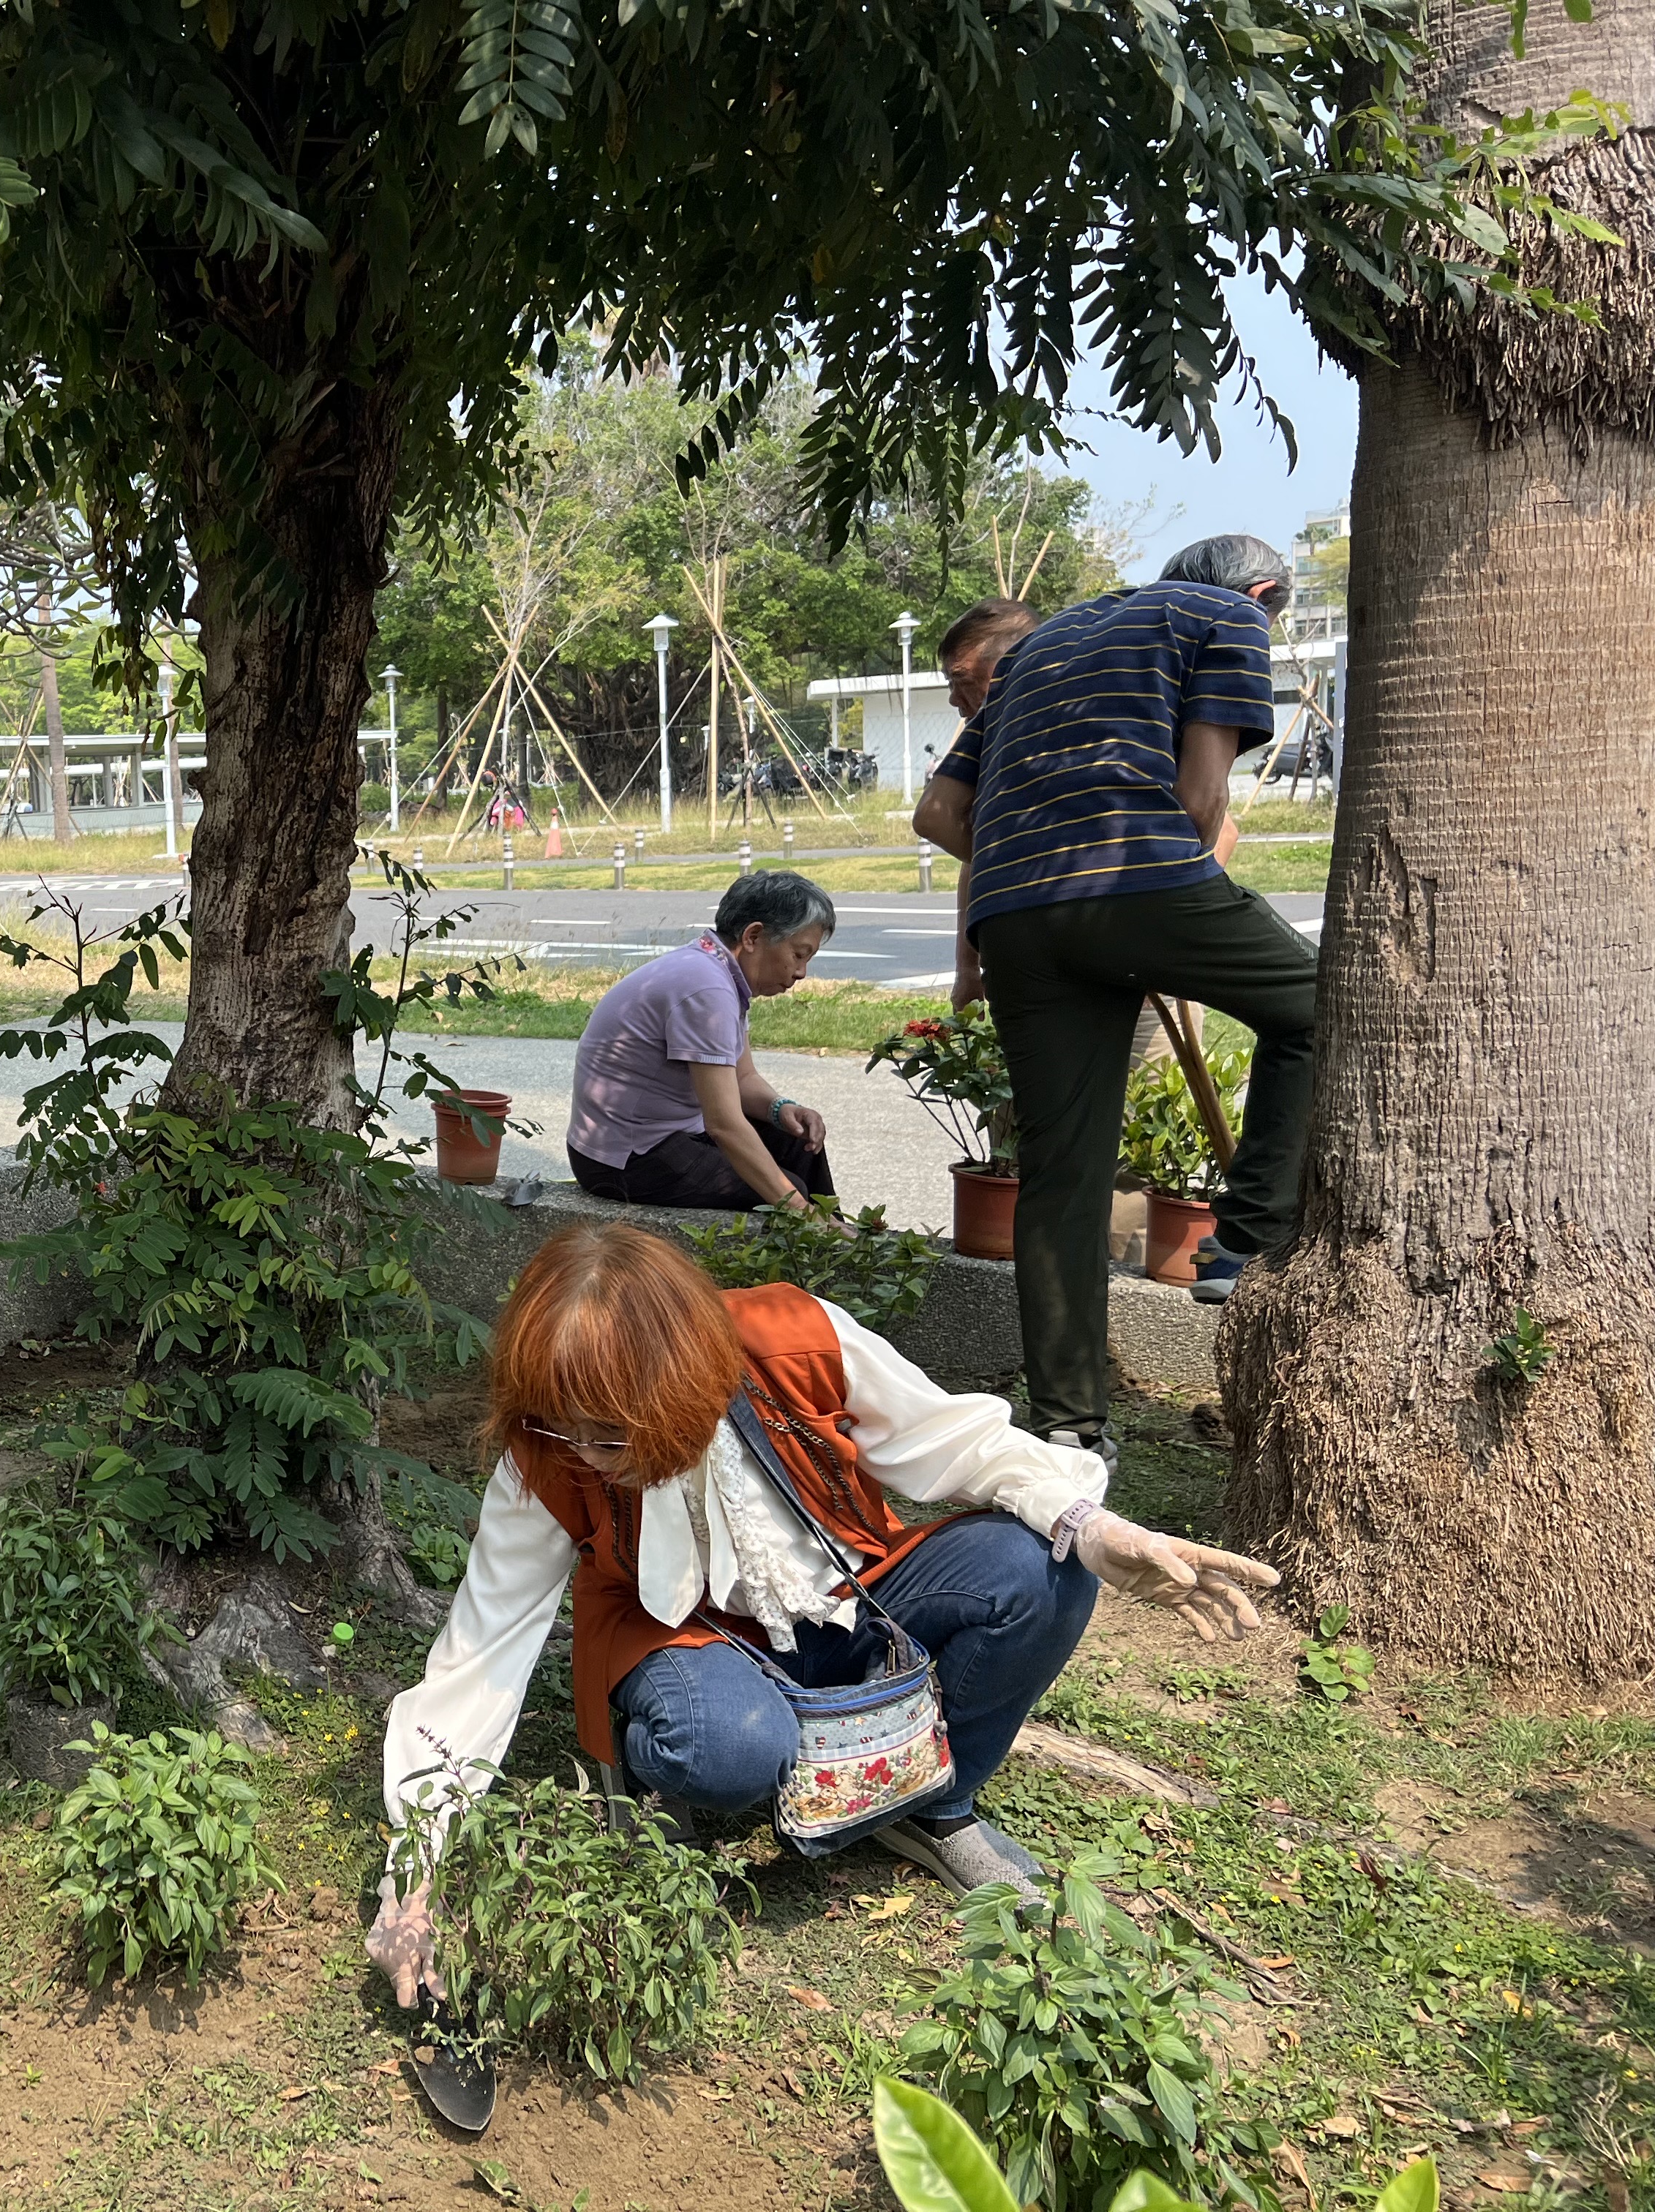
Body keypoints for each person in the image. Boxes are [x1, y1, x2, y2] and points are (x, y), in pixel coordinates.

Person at [364, 1224, 1276, 2003]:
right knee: (728, 1747)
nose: (585, 1453)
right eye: (563, 1425)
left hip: (847, 1596)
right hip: (678, 1635)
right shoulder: (545, 1455)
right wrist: (414, 1877)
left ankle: (930, 1804)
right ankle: (671, 1784)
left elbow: (959, 1444)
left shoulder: (793, 1338)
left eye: (610, 1433)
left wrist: (1101, 1531)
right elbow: (480, 1653)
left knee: (1044, 1567)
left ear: (682, 1384)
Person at [912, 536, 1316, 1453]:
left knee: (1061, 1171)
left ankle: (1067, 1430)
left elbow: (940, 813)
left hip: (1012, 914)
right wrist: (1149, 897)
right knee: (1321, 1009)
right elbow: (1202, 797)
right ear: (1263, 592)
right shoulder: (1226, 615)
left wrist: (1042, 855)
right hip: (1138, 877)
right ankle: (1243, 1239)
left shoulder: (1040, 647)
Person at [566, 872, 838, 1211]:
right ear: (753, 936)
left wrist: (782, 1109)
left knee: (798, 1142)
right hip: (624, 1159)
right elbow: (724, 1125)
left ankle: (836, 1237)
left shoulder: (717, 969)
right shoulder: (707, 988)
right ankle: (826, 1233)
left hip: (664, 1136)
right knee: (791, 1194)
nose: (801, 973)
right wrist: (805, 1213)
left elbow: (742, 1078)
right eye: (799, 954)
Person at [928, 597, 1037, 1016]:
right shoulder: (991, 738)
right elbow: (972, 852)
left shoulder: (1083, 719)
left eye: (962, 679)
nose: (954, 699)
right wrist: (966, 969)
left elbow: (935, 816)